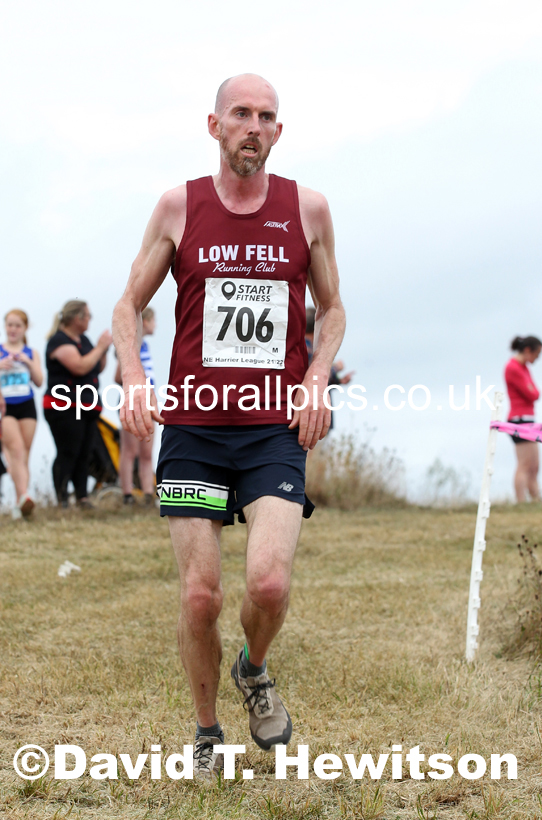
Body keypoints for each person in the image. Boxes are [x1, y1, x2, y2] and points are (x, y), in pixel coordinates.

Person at [113, 74, 345, 776]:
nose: (253, 125)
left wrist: (315, 378)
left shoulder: (307, 209)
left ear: (278, 131)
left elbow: (331, 311)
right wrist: (131, 376)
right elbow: (126, 306)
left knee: (268, 584)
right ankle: (208, 730)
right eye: (239, 114)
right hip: (193, 429)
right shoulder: (177, 207)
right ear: (213, 126)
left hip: (274, 428)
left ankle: (254, 668)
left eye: (266, 116)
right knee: (199, 594)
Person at [44, 300, 112, 508]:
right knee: (68, 451)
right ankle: (63, 497)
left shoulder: (84, 340)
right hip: (63, 406)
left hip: (88, 406)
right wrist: (100, 347)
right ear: (77, 318)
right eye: (88, 316)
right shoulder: (59, 341)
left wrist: (103, 351)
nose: (90, 320)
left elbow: (96, 368)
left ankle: (82, 496)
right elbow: (80, 367)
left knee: (85, 451)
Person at [0, 310, 43, 518]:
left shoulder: (31, 352)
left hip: (27, 406)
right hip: (6, 408)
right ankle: (25, 495)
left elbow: (39, 381)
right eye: (10, 325)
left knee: (24, 455)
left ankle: (21, 504)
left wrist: (27, 361)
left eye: (17, 325)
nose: (13, 329)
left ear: (25, 328)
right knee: (15, 451)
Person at [114, 306, 157, 506]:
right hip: (131, 400)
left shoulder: (145, 346)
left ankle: (148, 494)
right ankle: (127, 494)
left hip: (148, 401)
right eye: (153, 320)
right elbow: (118, 375)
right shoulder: (131, 346)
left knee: (147, 451)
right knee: (130, 450)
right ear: (144, 322)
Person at [504, 335, 542, 502]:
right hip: (519, 420)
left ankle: (537, 501)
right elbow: (532, 393)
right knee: (525, 464)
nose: (537, 359)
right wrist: (532, 391)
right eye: (537, 354)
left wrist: (533, 391)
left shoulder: (524, 367)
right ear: (528, 350)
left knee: (534, 466)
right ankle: (521, 501)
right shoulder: (513, 367)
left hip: (528, 419)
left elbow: (535, 392)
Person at [305, 305, 353, 431]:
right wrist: (336, 368)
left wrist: (339, 381)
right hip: (313, 413)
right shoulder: (308, 348)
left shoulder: (308, 347)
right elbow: (312, 376)